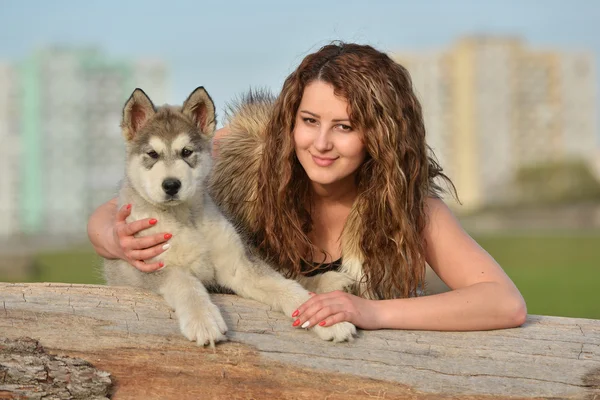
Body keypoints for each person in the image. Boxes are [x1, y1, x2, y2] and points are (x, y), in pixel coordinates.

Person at [88, 42, 527, 333]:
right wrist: (116, 238)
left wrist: (372, 311)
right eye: (309, 121)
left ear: (381, 135)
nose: (321, 144)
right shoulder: (237, 155)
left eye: (345, 126)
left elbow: (504, 303)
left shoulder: (409, 209)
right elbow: (109, 214)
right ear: (290, 121)